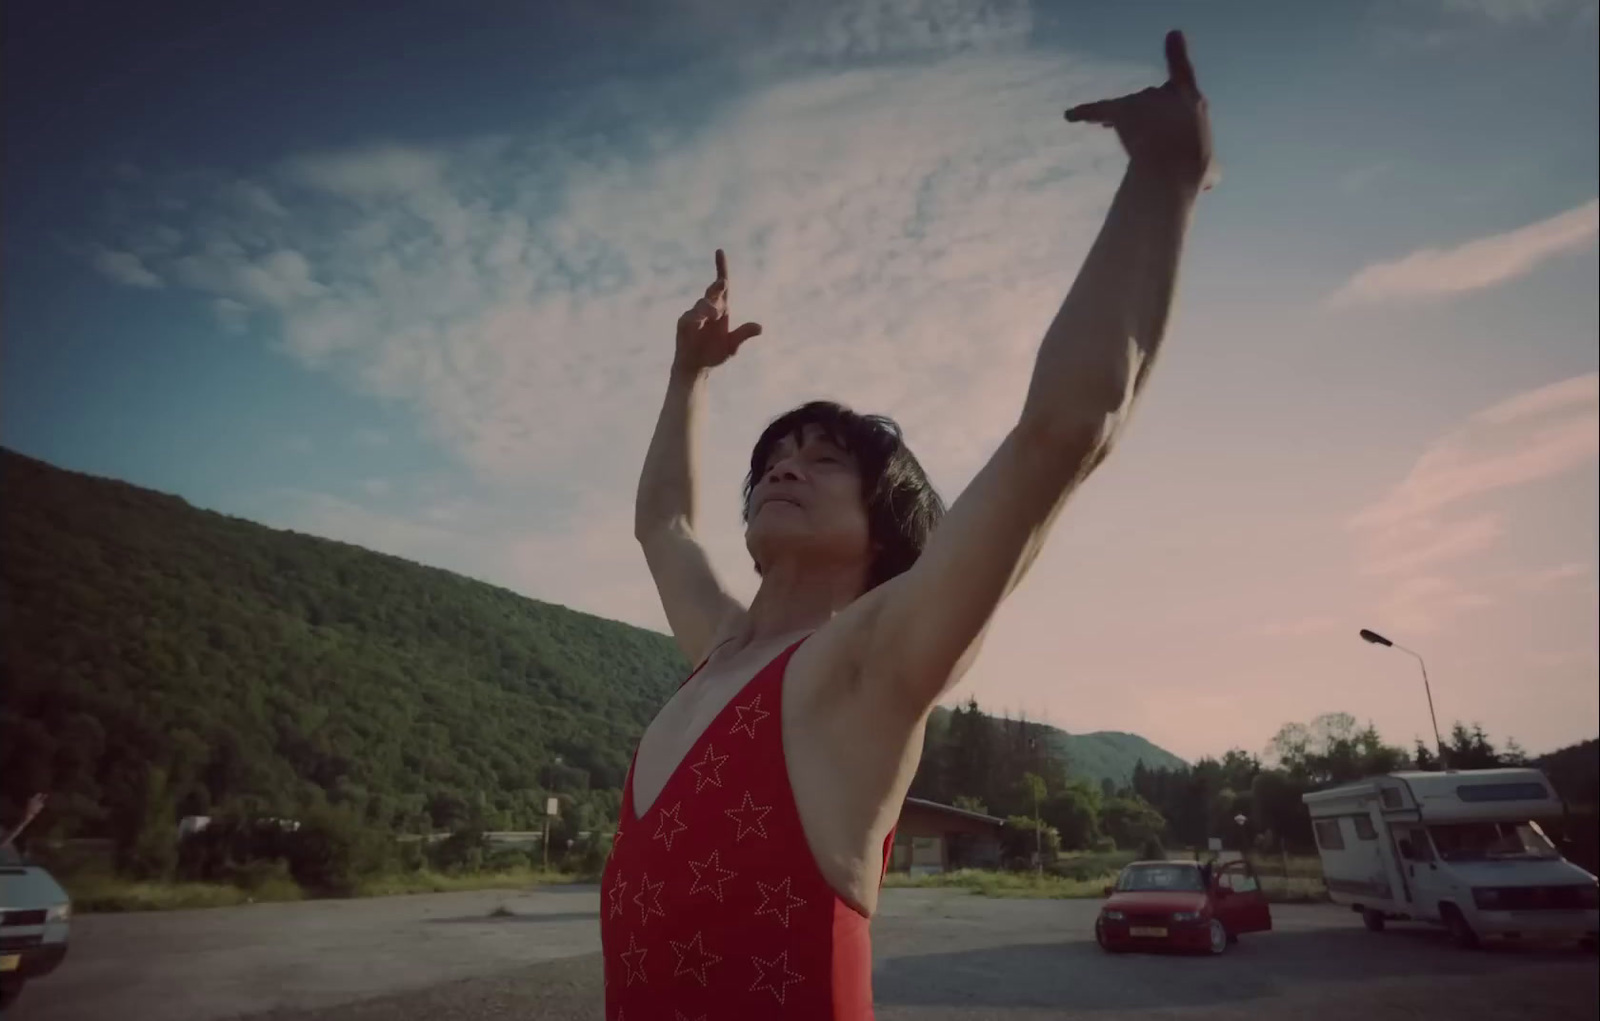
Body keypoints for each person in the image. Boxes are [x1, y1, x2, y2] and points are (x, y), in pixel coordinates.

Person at [601, 30, 1213, 1019]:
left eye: (825, 458)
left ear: (884, 525)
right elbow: (663, 520)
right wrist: (686, 376)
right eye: (773, 459)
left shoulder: (869, 666)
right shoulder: (716, 652)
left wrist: (1165, 173)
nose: (785, 466)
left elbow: (1067, 427)